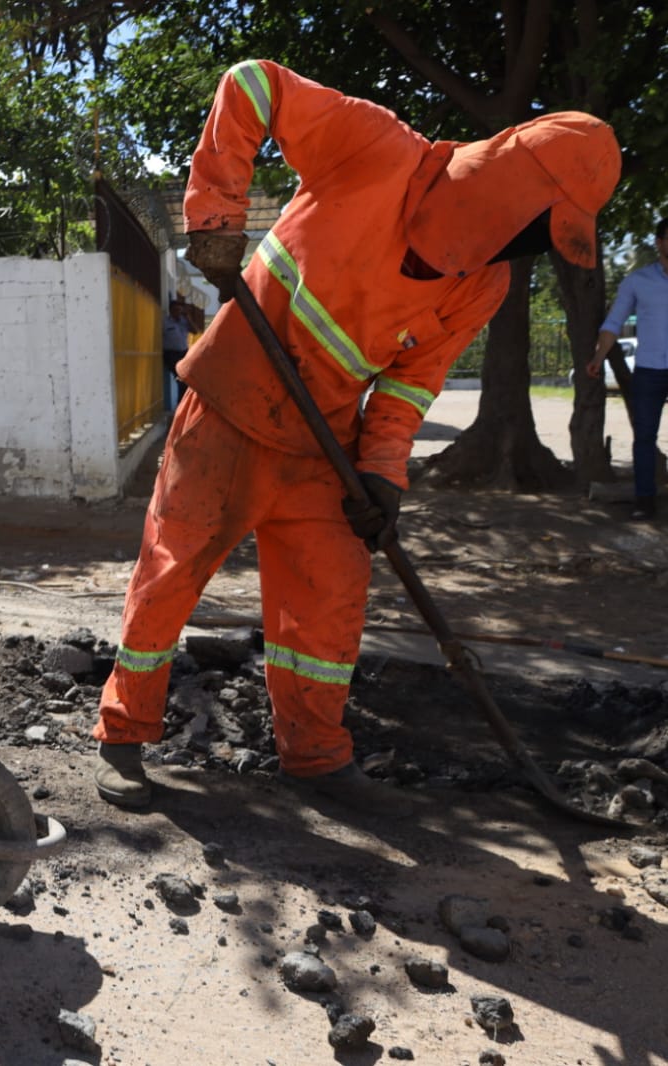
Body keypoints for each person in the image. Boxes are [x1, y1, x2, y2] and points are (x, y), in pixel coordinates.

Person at [92, 59, 620, 818]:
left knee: (328, 602)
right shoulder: (376, 148)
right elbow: (251, 87)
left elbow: (408, 386)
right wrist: (214, 217)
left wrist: (379, 478)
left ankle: (313, 758)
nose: (531, 244)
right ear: (515, 189)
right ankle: (123, 735)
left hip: (323, 449)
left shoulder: (482, 285)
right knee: (172, 572)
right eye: (540, 224)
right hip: (230, 410)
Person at [587, 217, 668, 520]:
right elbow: (613, 323)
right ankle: (645, 501)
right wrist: (597, 358)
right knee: (644, 437)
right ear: (660, 242)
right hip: (649, 371)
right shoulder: (638, 281)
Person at [161, 295, 200, 410]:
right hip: (171, 354)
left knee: (187, 379)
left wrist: (187, 317)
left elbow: (195, 331)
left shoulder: (184, 321)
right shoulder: (165, 322)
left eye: (180, 310)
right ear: (171, 310)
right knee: (181, 378)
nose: (178, 312)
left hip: (183, 353)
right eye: (176, 310)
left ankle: (183, 405)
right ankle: (181, 405)